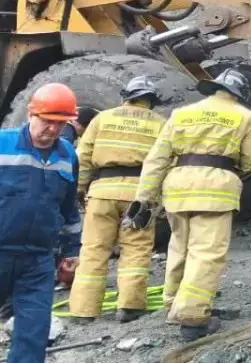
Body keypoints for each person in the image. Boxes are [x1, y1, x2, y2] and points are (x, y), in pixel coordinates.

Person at [128, 70, 251, 341]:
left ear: (214, 88)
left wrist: (144, 197)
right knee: (207, 252)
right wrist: (231, 171)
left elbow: (157, 158)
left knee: (180, 247)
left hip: (178, 186)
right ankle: (192, 318)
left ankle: (173, 305)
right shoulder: (247, 117)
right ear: (239, 94)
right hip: (215, 188)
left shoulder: (181, 114)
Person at [67, 77, 166, 323]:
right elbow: (167, 163)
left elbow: (84, 158)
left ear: (126, 96)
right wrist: (161, 200)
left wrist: (79, 191)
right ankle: (130, 308)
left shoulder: (102, 118)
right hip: (140, 196)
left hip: (102, 192)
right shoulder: (161, 124)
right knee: (136, 250)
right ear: (151, 101)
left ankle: (83, 310)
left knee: (93, 250)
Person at [0, 83, 82, 363]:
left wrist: (72, 251)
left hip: (37, 260)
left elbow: (69, 208)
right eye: (47, 121)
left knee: (34, 333)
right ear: (30, 114)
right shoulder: (3, 143)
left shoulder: (68, 155)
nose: (53, 130)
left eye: (61, 124)